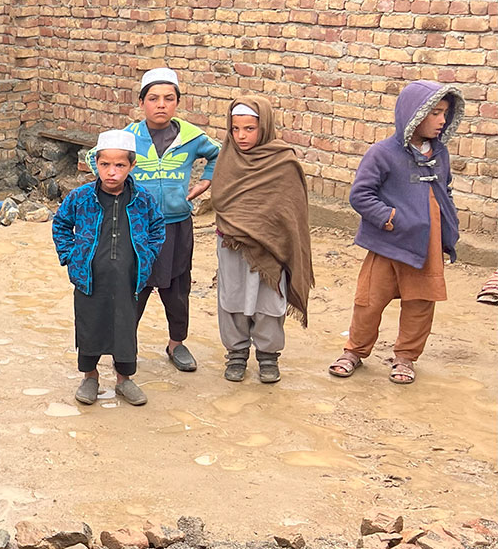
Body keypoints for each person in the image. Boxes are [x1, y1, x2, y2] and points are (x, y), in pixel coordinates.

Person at [329, 81, 463, 385]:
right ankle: (355, 351)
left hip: (426, 245)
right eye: (435, 114)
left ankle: (405, 357)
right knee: (369, 300)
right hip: (387, 244)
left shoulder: (439, 154)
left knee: (420, 303)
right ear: (413, 115)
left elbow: (446, 191)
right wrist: (389, 218)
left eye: (445, 114)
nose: (442, 120)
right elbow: (361, 195)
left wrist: (447, 228)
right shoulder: (383, 153)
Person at [107, 67, 220, 372]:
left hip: (176, 225)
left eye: (169, 98)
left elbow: (218, 155)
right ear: (141, 102)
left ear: (177, 102)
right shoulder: (127, 137)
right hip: (135, 228)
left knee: (177, 288)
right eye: (153, 98)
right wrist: (118, 188)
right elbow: (98, 158)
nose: (161, 104)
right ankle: (124, 346)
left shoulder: (191, 137)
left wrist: (205, 183)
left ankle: (176, 344)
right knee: (133, 287)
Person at [54, 129, 165, 407]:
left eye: (119, 165)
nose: (111, 172)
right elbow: (61, 224)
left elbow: (157, 229)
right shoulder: (80, 197)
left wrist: (148, 256)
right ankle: (89, 377)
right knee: (90, 325)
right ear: (96, 165)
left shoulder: (143, 199)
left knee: (125, 328)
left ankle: (124, 380)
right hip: (89, 279)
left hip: (128, 279)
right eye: (105, 164)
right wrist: (71, 255)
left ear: (131, 166)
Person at [209, 97, 315, 384]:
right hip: (232, 243)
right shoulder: (228, 158)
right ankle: (237, 353)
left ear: (264, 126)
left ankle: (268, 356)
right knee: (231, 297)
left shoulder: (283, 161)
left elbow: (290, 209)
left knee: (269, 300)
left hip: (271, 247)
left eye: (250, 128)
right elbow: (220, 197)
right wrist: (243, 224)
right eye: (235, 129)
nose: (241, 136)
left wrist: (267, 231)